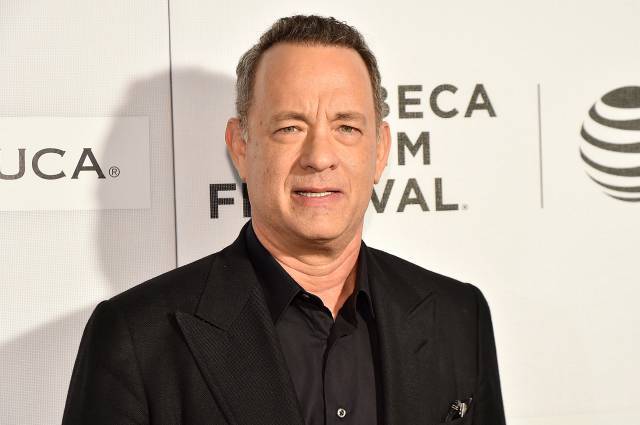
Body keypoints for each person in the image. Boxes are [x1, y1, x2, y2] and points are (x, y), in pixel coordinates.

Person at [62, 15, 506, 425]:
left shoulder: (458, 317)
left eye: (346, 127)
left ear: (381, 150)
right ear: (240, 147)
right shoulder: (136, 339)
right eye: (290, 127)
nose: (319, 156)